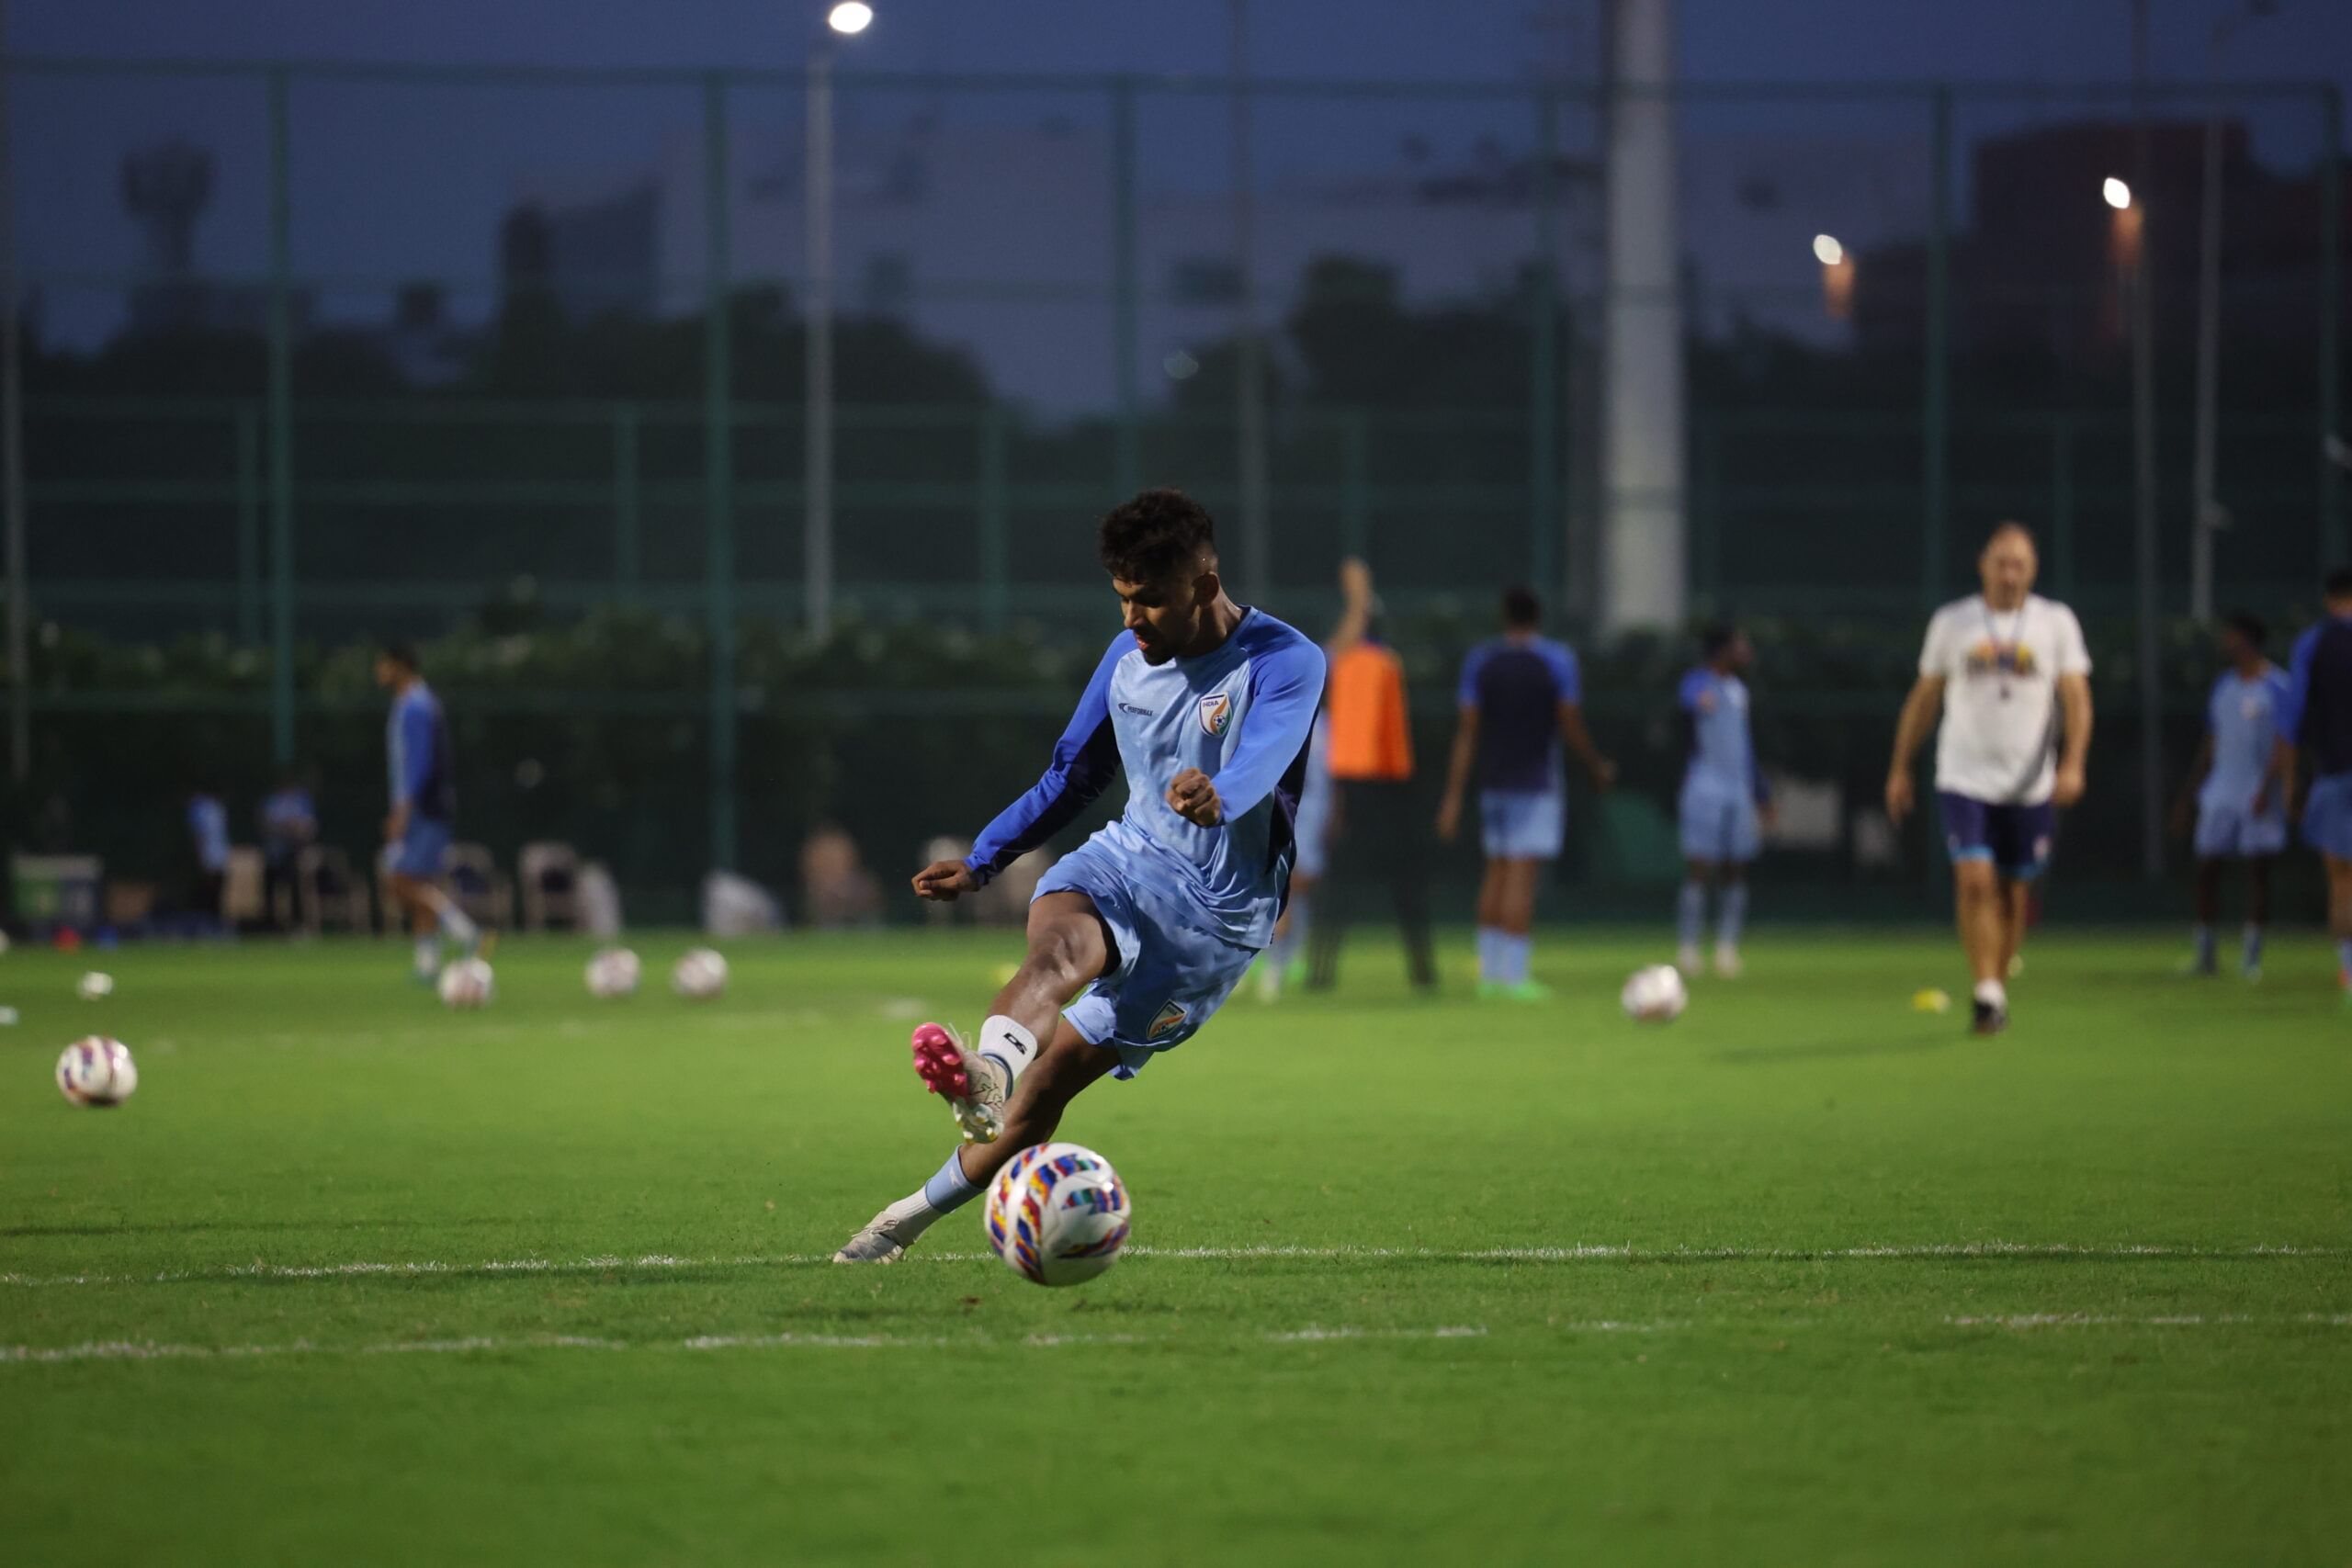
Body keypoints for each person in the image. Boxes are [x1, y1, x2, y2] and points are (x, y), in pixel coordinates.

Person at [835, 490, 1323, 1263]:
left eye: (1150, 601)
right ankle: (986, 1073)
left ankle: (902, 1220)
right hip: (1129, 857)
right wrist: (985, 856)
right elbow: (1072, 774)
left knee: (1051, 1090)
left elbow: (1267, 748)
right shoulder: (1127, 656)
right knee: (1055, 957)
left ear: (1203, 583)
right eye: (1122, 599)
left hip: (1216, 919)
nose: (1131, 620)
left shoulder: (1285, 658)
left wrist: (1221, 794)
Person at [1886, 521, 2093, 1035]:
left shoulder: (2055, 623)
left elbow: (2076, 698)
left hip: (2029, 782)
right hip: (1964, 776)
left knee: (2014, 891)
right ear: (1983, 566)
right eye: (2001, 562)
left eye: (2019, 563)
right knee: (1975, 880)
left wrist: (2073, 762)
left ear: (2033, 569)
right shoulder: (1953, 623)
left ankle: (1996, 985)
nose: (2009, 573)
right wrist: (1900, 767)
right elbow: (1925, 697)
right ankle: (1985, 989)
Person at [1435, 586, 1612, 999]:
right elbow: (1569, 721)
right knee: (1521, 875)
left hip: (1493, 780)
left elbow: (1468, 731)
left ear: (1505, 617)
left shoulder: (1482, 661)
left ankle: (1489, 973)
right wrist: (1595, 765)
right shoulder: (1556, 660)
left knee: (1496, 870)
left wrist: (1454, 794)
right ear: (1538, 617)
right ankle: (1514, 977)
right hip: (1536, 781)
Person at [1307, 566, 1434, 991]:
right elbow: (1395, 738)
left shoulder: (1342, 665)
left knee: (1339, 889)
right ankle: (1423, 970)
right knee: (1406, 886)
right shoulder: (1386, 663)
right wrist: (1361, 596)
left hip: (1350, 785)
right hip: (1388, 787)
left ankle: (1320, 973)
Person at [1258, 558, 1369, 1000]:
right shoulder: (1264, 685)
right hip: (1281, 801)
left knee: (1299, 883)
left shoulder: (1315, 692)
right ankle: (1272, 964)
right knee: (1287, 882)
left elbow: (1346, 642)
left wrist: (1359, 597)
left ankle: (1284, 958)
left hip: (1314, 796)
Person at [2172, 613, 2290, 979]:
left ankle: (2251, 957)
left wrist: (2271, 786)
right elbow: (2212, 741)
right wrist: (2190, 793)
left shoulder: (2278, 686)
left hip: (2259, 792)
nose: (2225, 642)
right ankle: (2206, 953)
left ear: (2247, 639)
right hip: (2221, 790)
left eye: (2231, 635)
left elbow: (2286, 744)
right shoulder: (2224, 686)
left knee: (2258, 872)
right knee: (2207, 869)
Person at [2269, 567, 2352, 993]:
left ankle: (2349, 971)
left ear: (2328, 598)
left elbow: (2291, 721)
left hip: (2335, 773)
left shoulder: (2314, 643)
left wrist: (2288, 784)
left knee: (2342, 879)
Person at [375, 642, 478, 981]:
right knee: (421, 882)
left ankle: (462, 928)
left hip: (423, 808)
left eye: (384, 665)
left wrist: (402, 810)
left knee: (397, 881)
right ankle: (428, 963)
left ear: (401, 666)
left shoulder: (416, 706)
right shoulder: (414, 703)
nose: (379, 672)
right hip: (426, 806)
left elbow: (418, 764)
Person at [1675, 625, 1772, 978]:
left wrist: (1761, 792)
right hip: (1705, 786)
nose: (1745, 650)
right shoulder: (1696, 683)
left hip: (1739, 789)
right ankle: (1688, 947)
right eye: (1739, 644)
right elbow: (1685, 715)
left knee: (1736, 867)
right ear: (1721, 650)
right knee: (1700, 867)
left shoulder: (1739, 691)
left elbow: (1745, 747)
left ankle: (1727, 948)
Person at [258, 768, 318, 931]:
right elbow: (265, 824)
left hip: (294, 852)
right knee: (270, 888)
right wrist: (287, 827)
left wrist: (296, 829)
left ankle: (297, 924)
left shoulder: (302, 801)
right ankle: (269, 925)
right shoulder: (272, 801)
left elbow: (309, 827)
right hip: (274, 851)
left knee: (295, 887)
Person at [186, 784, 230, 926]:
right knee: (216, 889)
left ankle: (213, 921)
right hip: (219, 854)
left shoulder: (200, 807)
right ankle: (214, 920)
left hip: (210, 854)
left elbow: (200, 834)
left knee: (213, 889)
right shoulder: (216, 807)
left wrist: (199, 854)